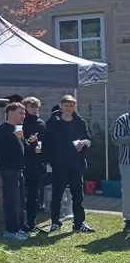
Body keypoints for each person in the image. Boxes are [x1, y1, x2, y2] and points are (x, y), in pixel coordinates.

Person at [44, 95, 95, 233]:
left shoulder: (79, 121)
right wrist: (48, 159)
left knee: (78, 195)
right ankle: (55, 222)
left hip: (76, 163)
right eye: (66, 105)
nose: (68, 108)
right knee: (57, 194)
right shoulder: (52, 122)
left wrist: (84, 144)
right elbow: (46, 142)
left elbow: (88, 139)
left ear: (75, 106)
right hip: (59, 164)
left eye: (71, 105)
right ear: (61, 106)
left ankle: (79, 223)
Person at [0, 102, 30, 241]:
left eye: (24, 113)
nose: (23, 116)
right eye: (21, 113)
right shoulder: (2, 129)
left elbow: (23, 147)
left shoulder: (18, 128)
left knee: (20, 201)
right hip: (8, 169)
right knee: (12, 201)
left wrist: (31, 142)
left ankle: (20, 227)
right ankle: (11, 230)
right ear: (10, 113)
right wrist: (12, 136)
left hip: (19, 169)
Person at [21, 96, 46, 232]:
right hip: (22, 161)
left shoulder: (40, 123)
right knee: (19, 193)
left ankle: (32, 223)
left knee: (33, 194)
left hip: (36, 162)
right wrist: (28, 141)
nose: (34, 109)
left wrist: (43, 157)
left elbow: (44, 141)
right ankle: (19, 223)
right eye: (31, 107)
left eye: (36, 107)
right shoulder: (20, 122)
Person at [110, 100, 130, 233]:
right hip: (127, 162)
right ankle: (128, 220)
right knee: (128, 192)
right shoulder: (122, 120)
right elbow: (115, 139)